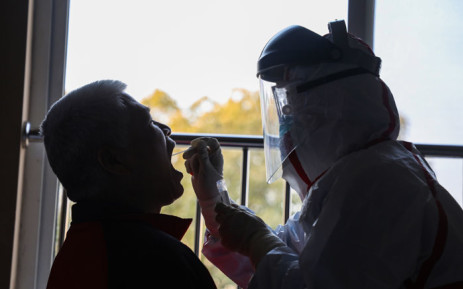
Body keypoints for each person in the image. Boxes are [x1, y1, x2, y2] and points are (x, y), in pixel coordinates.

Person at [183, 20, 463, 289]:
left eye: (292, 110)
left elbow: (297, 277)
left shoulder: (380, 182)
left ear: (330, 110)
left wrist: (257, 240)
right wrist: (214, 196)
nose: (285, 128)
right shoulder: (361, 174)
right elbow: (281, 253)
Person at [42, 80, 216, 289]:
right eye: (150, 123)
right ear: (114, 160)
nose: (168, 134)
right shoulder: (160, 263)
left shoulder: (76, 255)